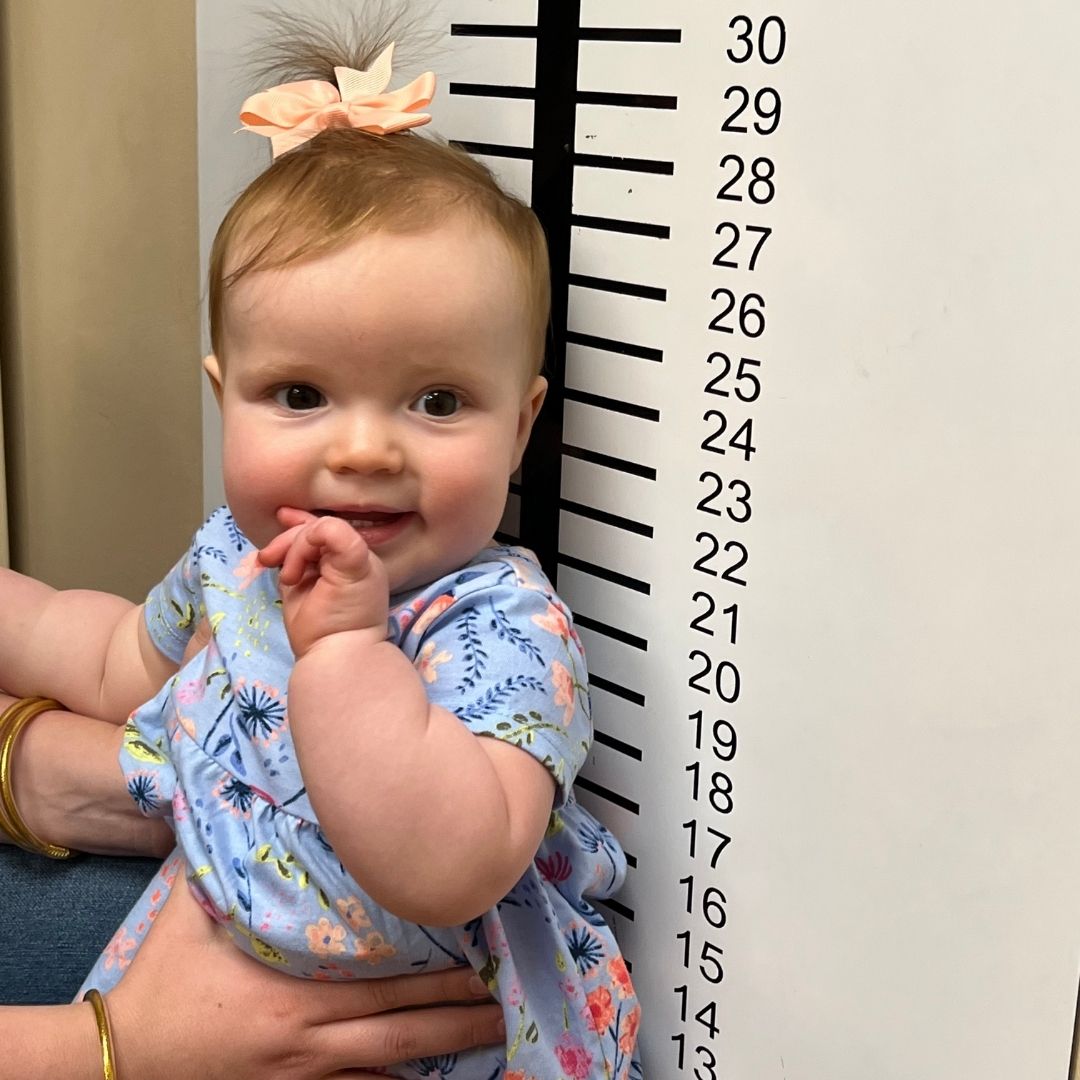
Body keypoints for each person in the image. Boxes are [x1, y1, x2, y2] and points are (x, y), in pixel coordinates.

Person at [0, 18, 641, 1080]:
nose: (362, 452)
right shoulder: (232, 558)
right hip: (199, 986)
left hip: (433, 1041)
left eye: (438, 401)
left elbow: (453, 865)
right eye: (300, 395)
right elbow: (109, 657)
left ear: (522, 426)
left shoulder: (501, 629)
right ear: (225, 399)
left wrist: (345, 653)